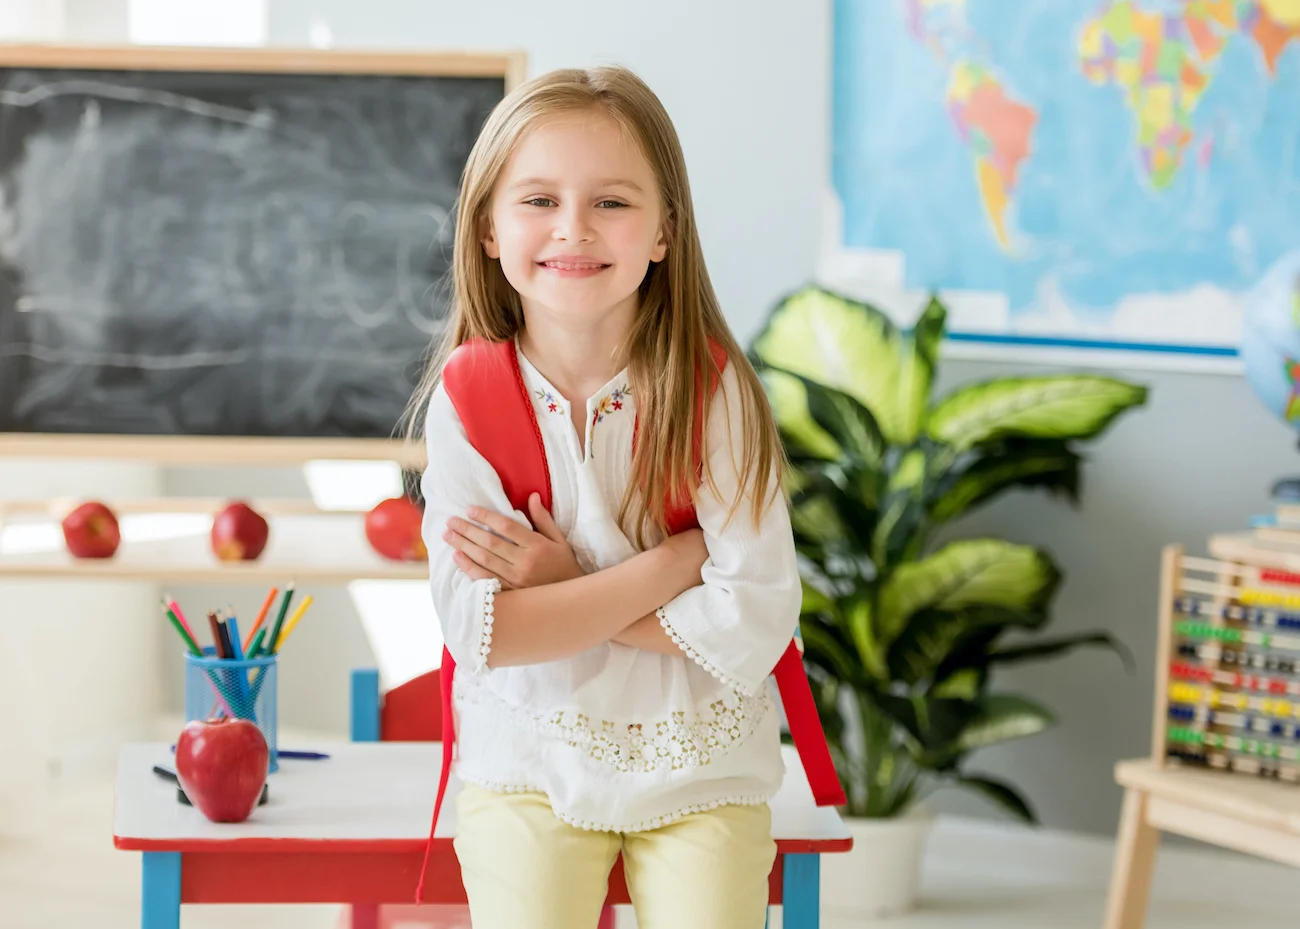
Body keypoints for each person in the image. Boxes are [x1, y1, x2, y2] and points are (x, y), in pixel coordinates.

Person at [409, 65, 801, 929]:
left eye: (612, 203)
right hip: (529, 760)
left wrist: (562, 585)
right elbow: (488, 633)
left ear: (665, 230)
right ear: (487, 227)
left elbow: (758, 616)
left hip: (701, 764)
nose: (573, 230)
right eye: (539, 199)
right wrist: (670, 564)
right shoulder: (469, 398)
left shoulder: (713, 388)